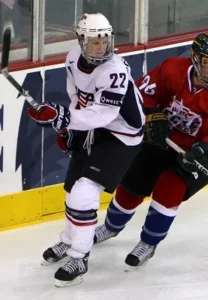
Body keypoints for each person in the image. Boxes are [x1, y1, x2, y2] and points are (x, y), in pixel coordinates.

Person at [92, 33, 208, 271]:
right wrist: (151, 113)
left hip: (195, 156)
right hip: (163, 141)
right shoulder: (172, 70)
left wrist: (206, 151)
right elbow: (141, 93)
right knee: (134, 180)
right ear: (195, 60)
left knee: (170, 185)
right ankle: (111, 227)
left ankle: (148, 243)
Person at [27, 13, 145, 287]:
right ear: (80, 41)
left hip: (122, 136)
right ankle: (70, 241)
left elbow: (103, 115)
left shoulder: (113, 70)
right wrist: (67, 127)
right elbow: (77, 98)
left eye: (105, 40)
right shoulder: (72, 59)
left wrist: (63, 118)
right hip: (93, 128)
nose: (101, 47)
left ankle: (79, 258)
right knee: (71, 189)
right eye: (94, 42)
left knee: (83, 193)